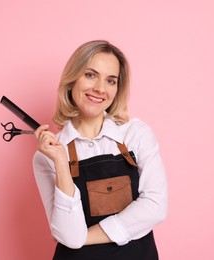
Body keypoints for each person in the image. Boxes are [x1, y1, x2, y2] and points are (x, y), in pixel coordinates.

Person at [33, 40, 167, 260]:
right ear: (72, 79)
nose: (100, 89)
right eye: (90, 75)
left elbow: (155, 207)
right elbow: (67, 233)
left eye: (111, 80)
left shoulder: (136, 134)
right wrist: (60, 163)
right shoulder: (47, 156)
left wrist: (83, 237)